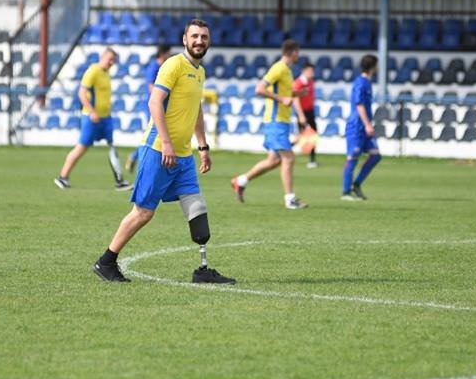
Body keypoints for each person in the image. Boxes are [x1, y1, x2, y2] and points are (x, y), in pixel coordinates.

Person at [92, 19, 234, 284]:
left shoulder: (200, 72)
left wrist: (203, 146)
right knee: (144, 212)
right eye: (194, 36)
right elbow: (154, 102)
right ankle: (106, 261)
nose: (199, 41)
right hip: (159, 150)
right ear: (184, 39)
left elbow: (196, 110)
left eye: (204, 37)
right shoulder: (173, 65)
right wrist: (166, 143)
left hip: (184, 156)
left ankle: (203, 270)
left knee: (197, 207)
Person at [230, 39, 309, 209]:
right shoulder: (279, 68)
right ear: (293, 52)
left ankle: (240, 181)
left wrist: (298, 93)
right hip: (275, 120)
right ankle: (290, 199)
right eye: (298, 52)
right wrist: (282, 99)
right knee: (289, 158)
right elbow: (260, 89)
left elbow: (285, 93)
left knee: (274, 161)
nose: (299, 56)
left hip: (282, 120)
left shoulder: (287, 70)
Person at [54, 47, 131, 190]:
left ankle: (120, 181)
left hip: (106, 118)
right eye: (110, 59)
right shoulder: (93, 71)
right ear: (103, 57)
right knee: (81, 147)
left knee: (112, 146)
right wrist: (92, 112)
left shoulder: (106, 73)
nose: (111, 62)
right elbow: (82, 93)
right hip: (91, 118)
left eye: (113, 60)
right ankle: (62, 177)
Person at [125, 43, 172, 173]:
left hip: (163, 106)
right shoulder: (154, 66)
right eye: (168, 52)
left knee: (160, 134)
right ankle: (139, 158)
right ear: (163, 54)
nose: (170, 55)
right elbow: (151, 87)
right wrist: (162, 95)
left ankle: (152, 162)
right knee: (153, 134)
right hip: (154, 106)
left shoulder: (165, 66)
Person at [342, 54, 382, 201]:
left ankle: (356, 184)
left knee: (375, 155)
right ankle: (346, 192)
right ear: (373, 67)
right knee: (353, 156)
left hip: (364, 126)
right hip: (357, 126)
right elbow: (359, 105)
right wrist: (367, 125)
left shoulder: (367, 82)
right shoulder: (360, 83)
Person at [293, 61, 319, 168]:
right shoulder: (299, 83)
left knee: (313, 135)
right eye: (309, 71)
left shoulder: (311, 82)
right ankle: (282, 152)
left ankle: (312, 160)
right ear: (304, 71)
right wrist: (301, 115)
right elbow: (295, 99)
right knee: (301, 136)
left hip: (310, 111)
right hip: (303, 112)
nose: (312, 73)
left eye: (312, 71)